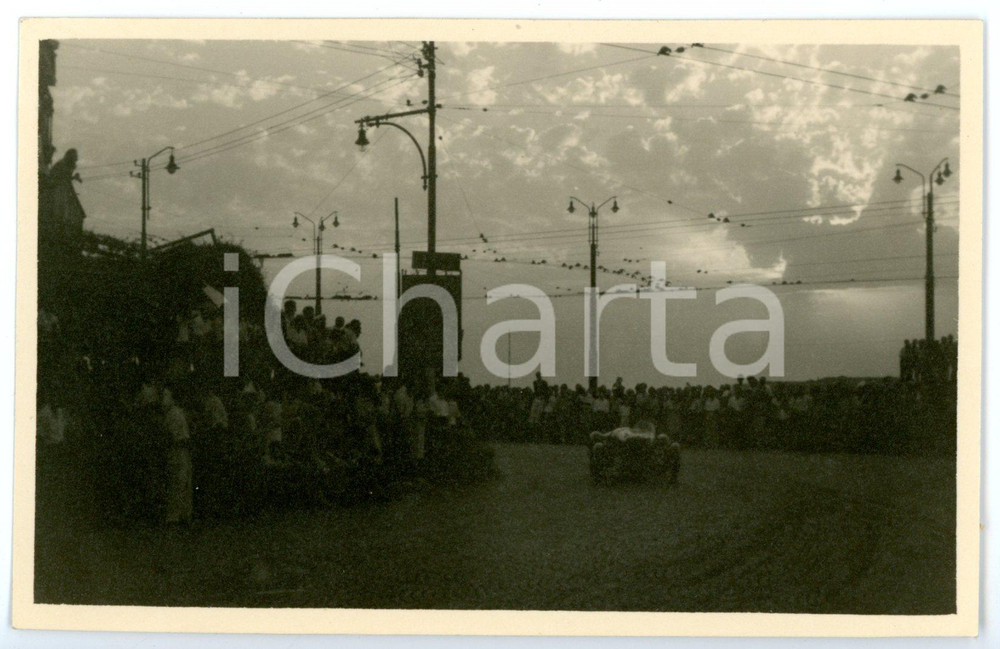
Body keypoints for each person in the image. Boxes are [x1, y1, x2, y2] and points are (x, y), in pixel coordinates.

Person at [162, 387, 193, 525]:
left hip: (177, 451)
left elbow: (176, 437)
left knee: (178, 483)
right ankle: (181, 514)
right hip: (179, 452)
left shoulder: (174, 414)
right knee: (180, 483)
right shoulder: (174, 413)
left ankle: (175, 516)